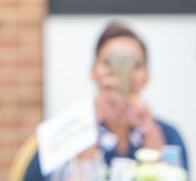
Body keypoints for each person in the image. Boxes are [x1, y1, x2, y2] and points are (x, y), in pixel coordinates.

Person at [24, 22, 189, 179]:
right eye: (108, 62)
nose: (119, 71)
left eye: (134, 64)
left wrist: (150, 132)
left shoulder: (169, 136)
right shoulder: (62, 133)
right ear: (93, 71)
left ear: (146, 76)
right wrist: (85, 129)